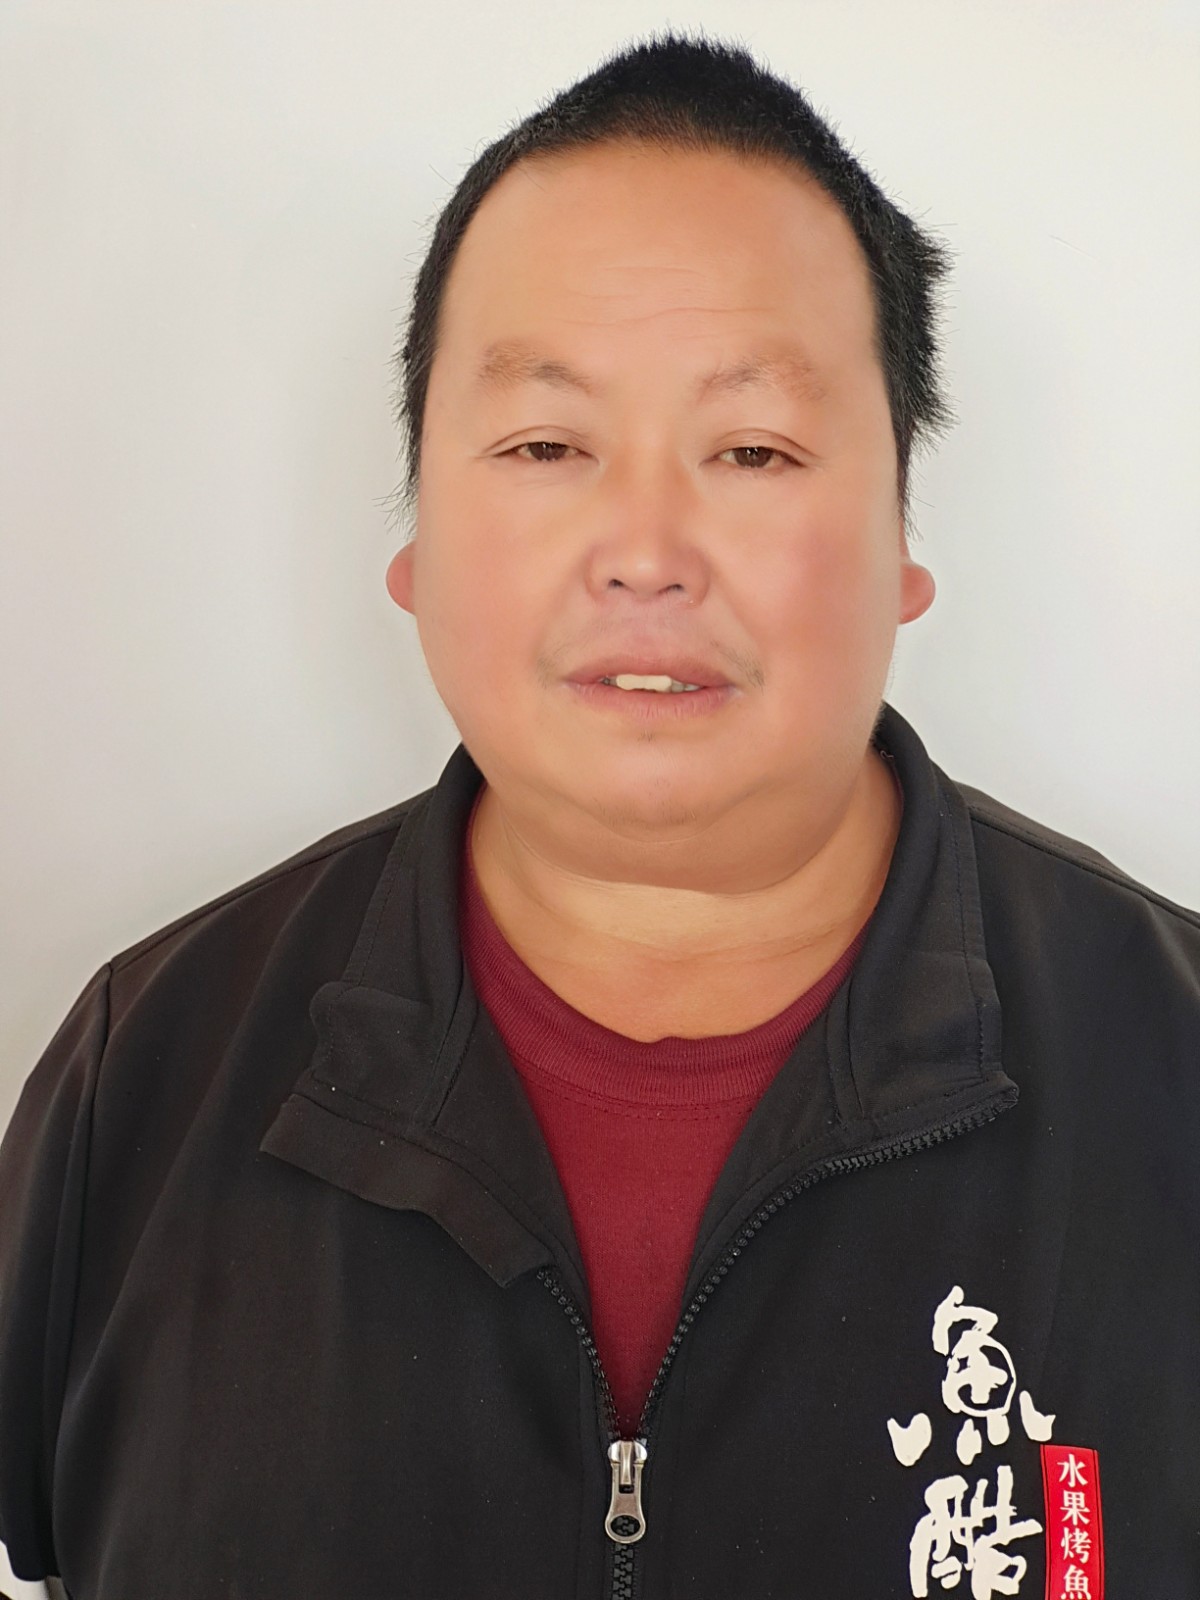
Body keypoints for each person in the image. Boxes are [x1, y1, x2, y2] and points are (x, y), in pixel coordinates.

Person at [1, 30, 1197, 1600]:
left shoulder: (1172, 1065)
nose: (645, 550)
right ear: (417, 547)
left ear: (901, 542)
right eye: (546, 445)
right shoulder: (144, 1077)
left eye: (752, 449)